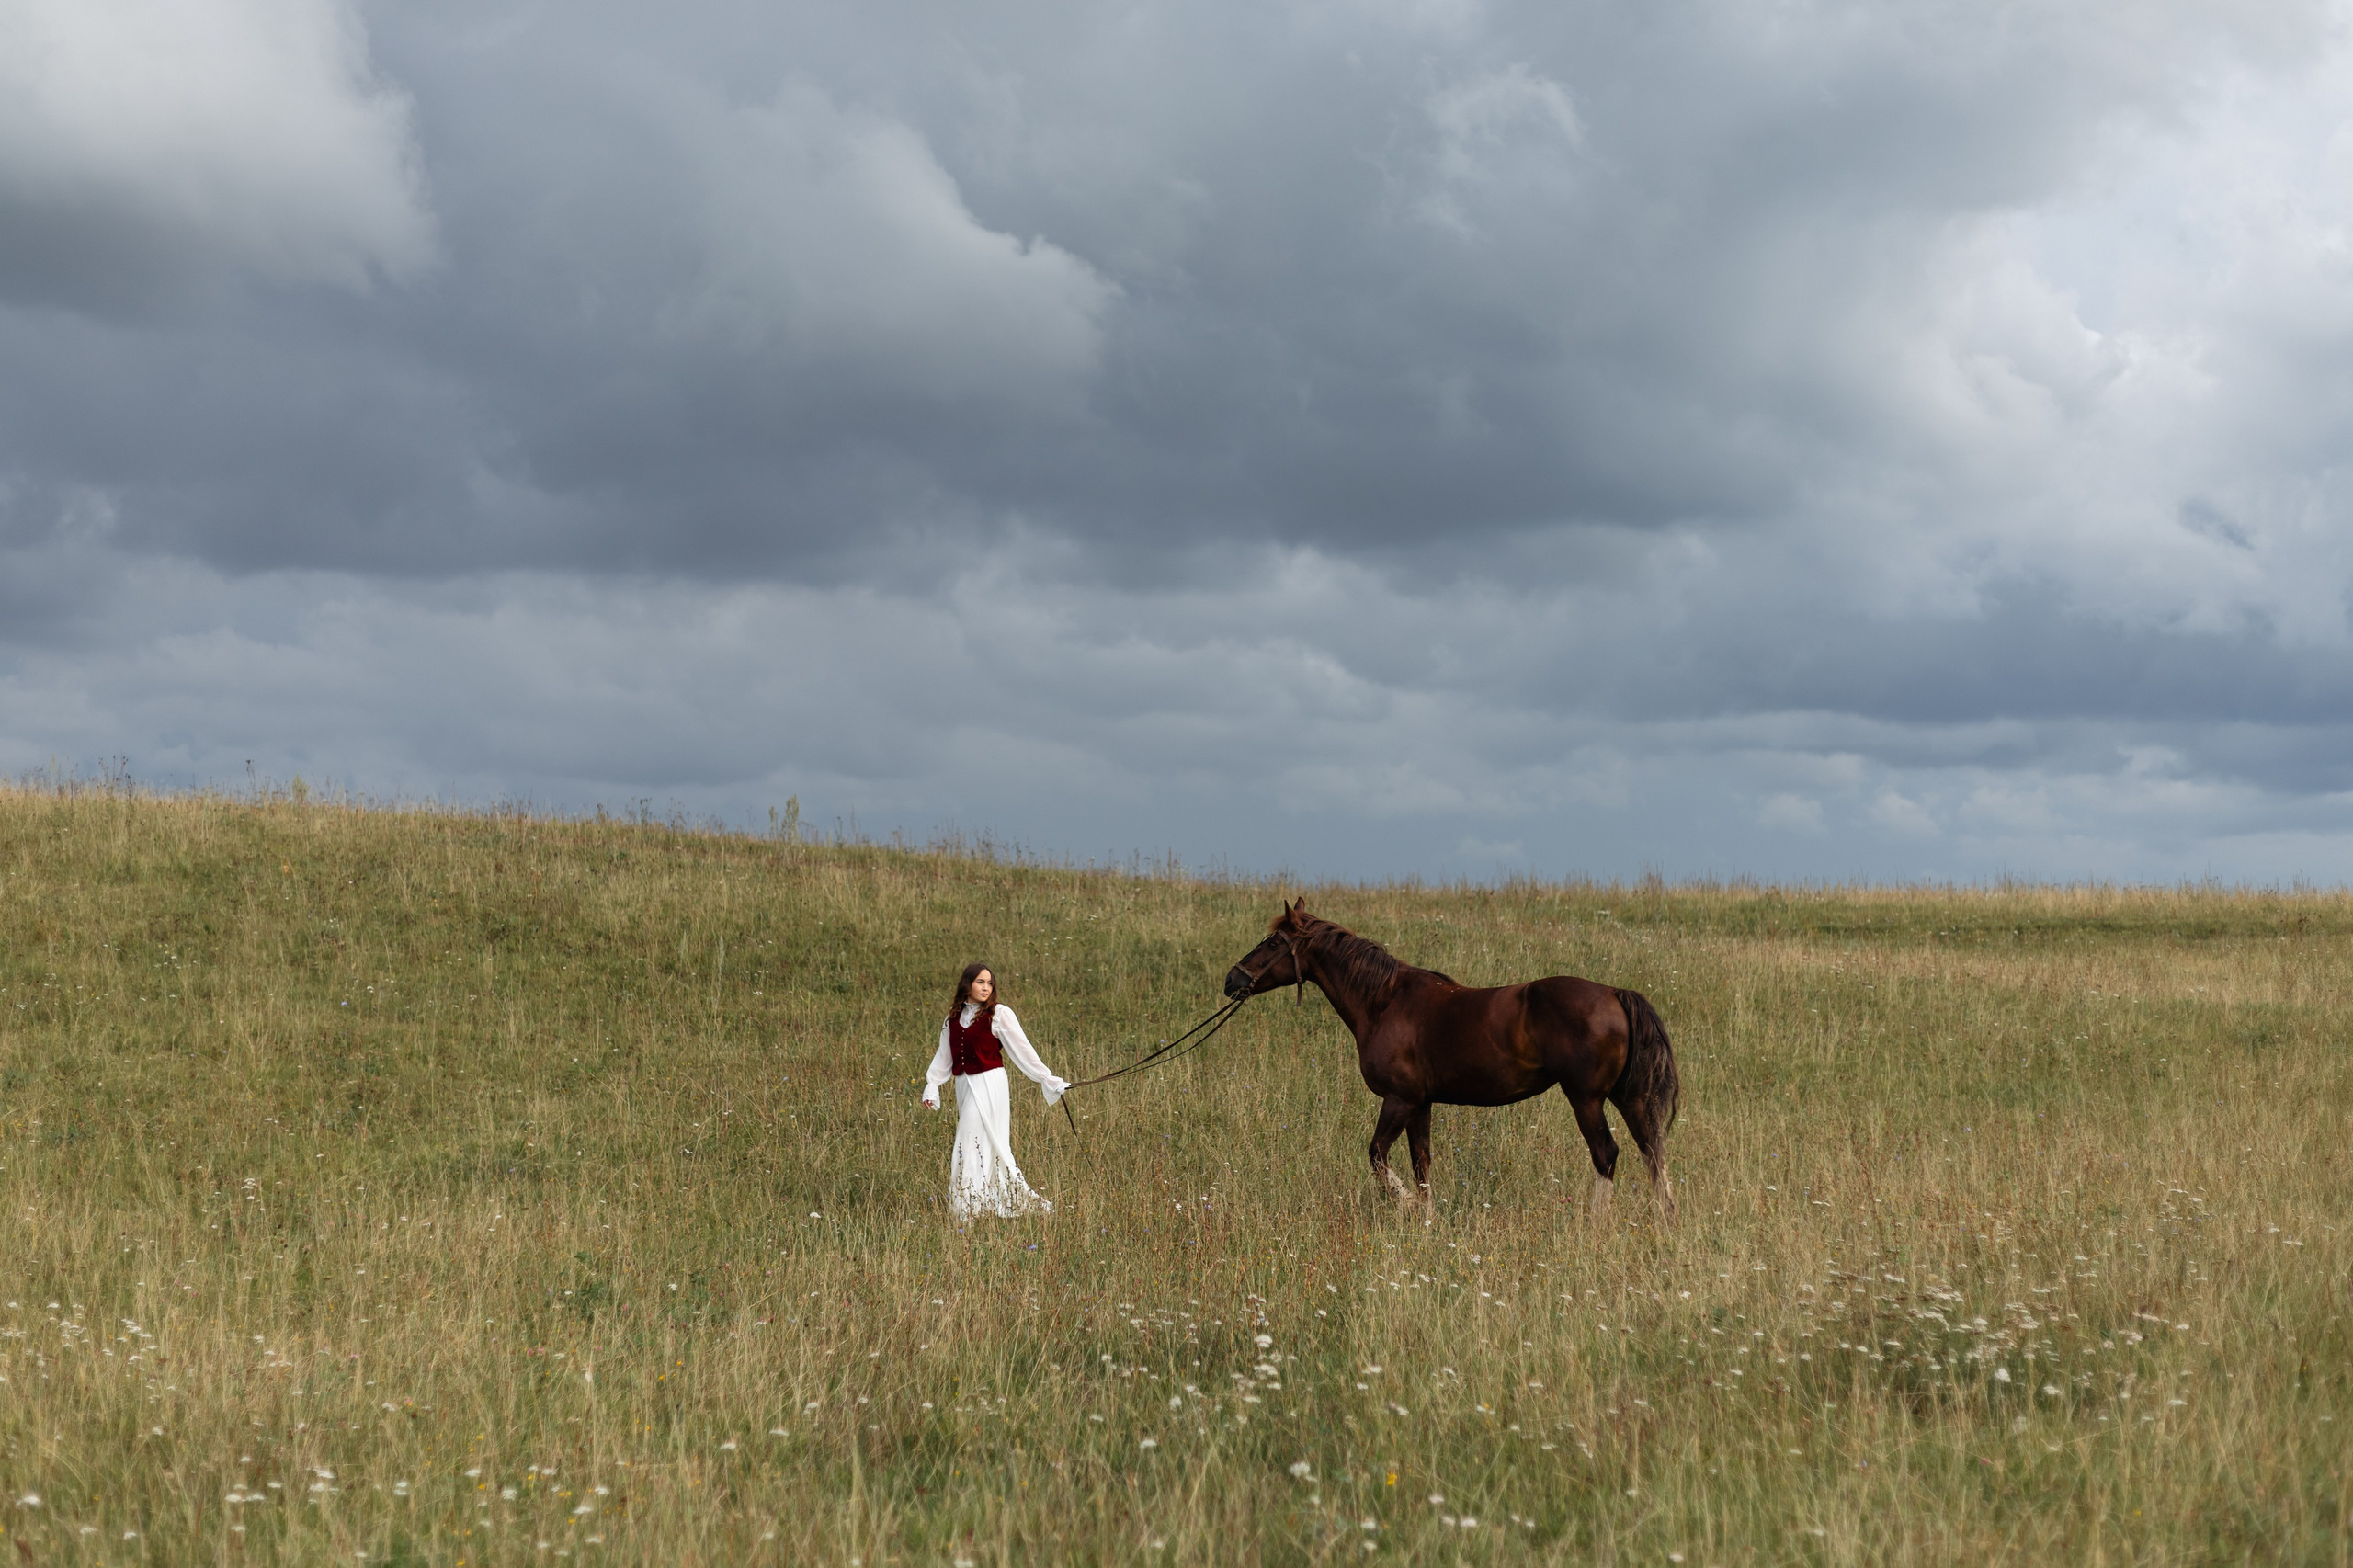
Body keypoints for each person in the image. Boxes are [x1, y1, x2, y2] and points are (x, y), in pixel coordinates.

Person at [922, 963, 1070, 1219]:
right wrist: (932, 1085)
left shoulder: (999, 1014)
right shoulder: (953, 1018)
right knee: (980, 1143)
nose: (986, 988)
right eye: (980, 982)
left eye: (989, 983)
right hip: (964, 1085)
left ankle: (966, 1209)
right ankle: (980, 1202)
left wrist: (1047, 1078)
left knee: (967, 1139)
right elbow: (944, 1056)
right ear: (967, 984)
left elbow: (1023, 1050)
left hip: (990, 1083)